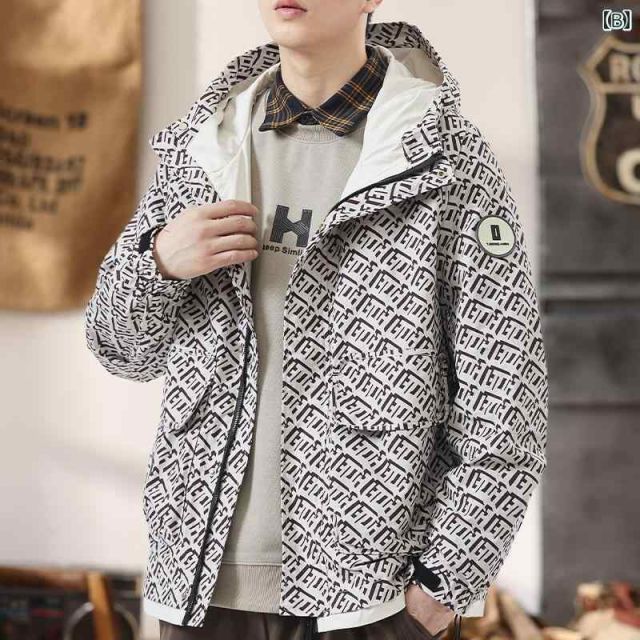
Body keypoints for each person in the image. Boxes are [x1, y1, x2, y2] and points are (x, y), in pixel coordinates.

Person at [84, 2, 549, 639]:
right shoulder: (204, 146)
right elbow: (120, 351)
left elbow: (507, 394)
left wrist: (441, 588)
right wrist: (157, 262)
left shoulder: (449, 158)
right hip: (199, 587)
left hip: (369, 600)